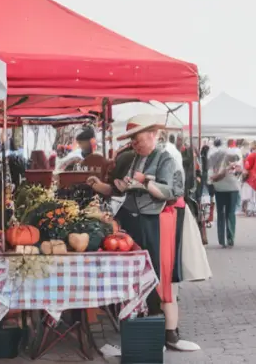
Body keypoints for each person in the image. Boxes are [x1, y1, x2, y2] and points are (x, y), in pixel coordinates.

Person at [87, 114, 198, 352]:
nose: (134, 144)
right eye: (132, 141)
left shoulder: (165, 158)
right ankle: (147, 326)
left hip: (155, 221)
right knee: (140, 272)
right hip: (134, 220)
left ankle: (167, 331)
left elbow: (169, 191)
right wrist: (101, 186)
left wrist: (145, 182)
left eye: (136, 139)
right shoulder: (135, 158)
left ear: (152, 134)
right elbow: (121, 190)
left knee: (159, 272)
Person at [210, 146, 242, 248]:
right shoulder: (234, 160)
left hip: (219, 189)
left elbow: (211, 176)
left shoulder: (214, 161)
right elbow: (240, 172)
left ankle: (222, 240)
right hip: (232, 188)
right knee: (230, 213)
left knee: (221, 213)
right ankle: (230, 238)